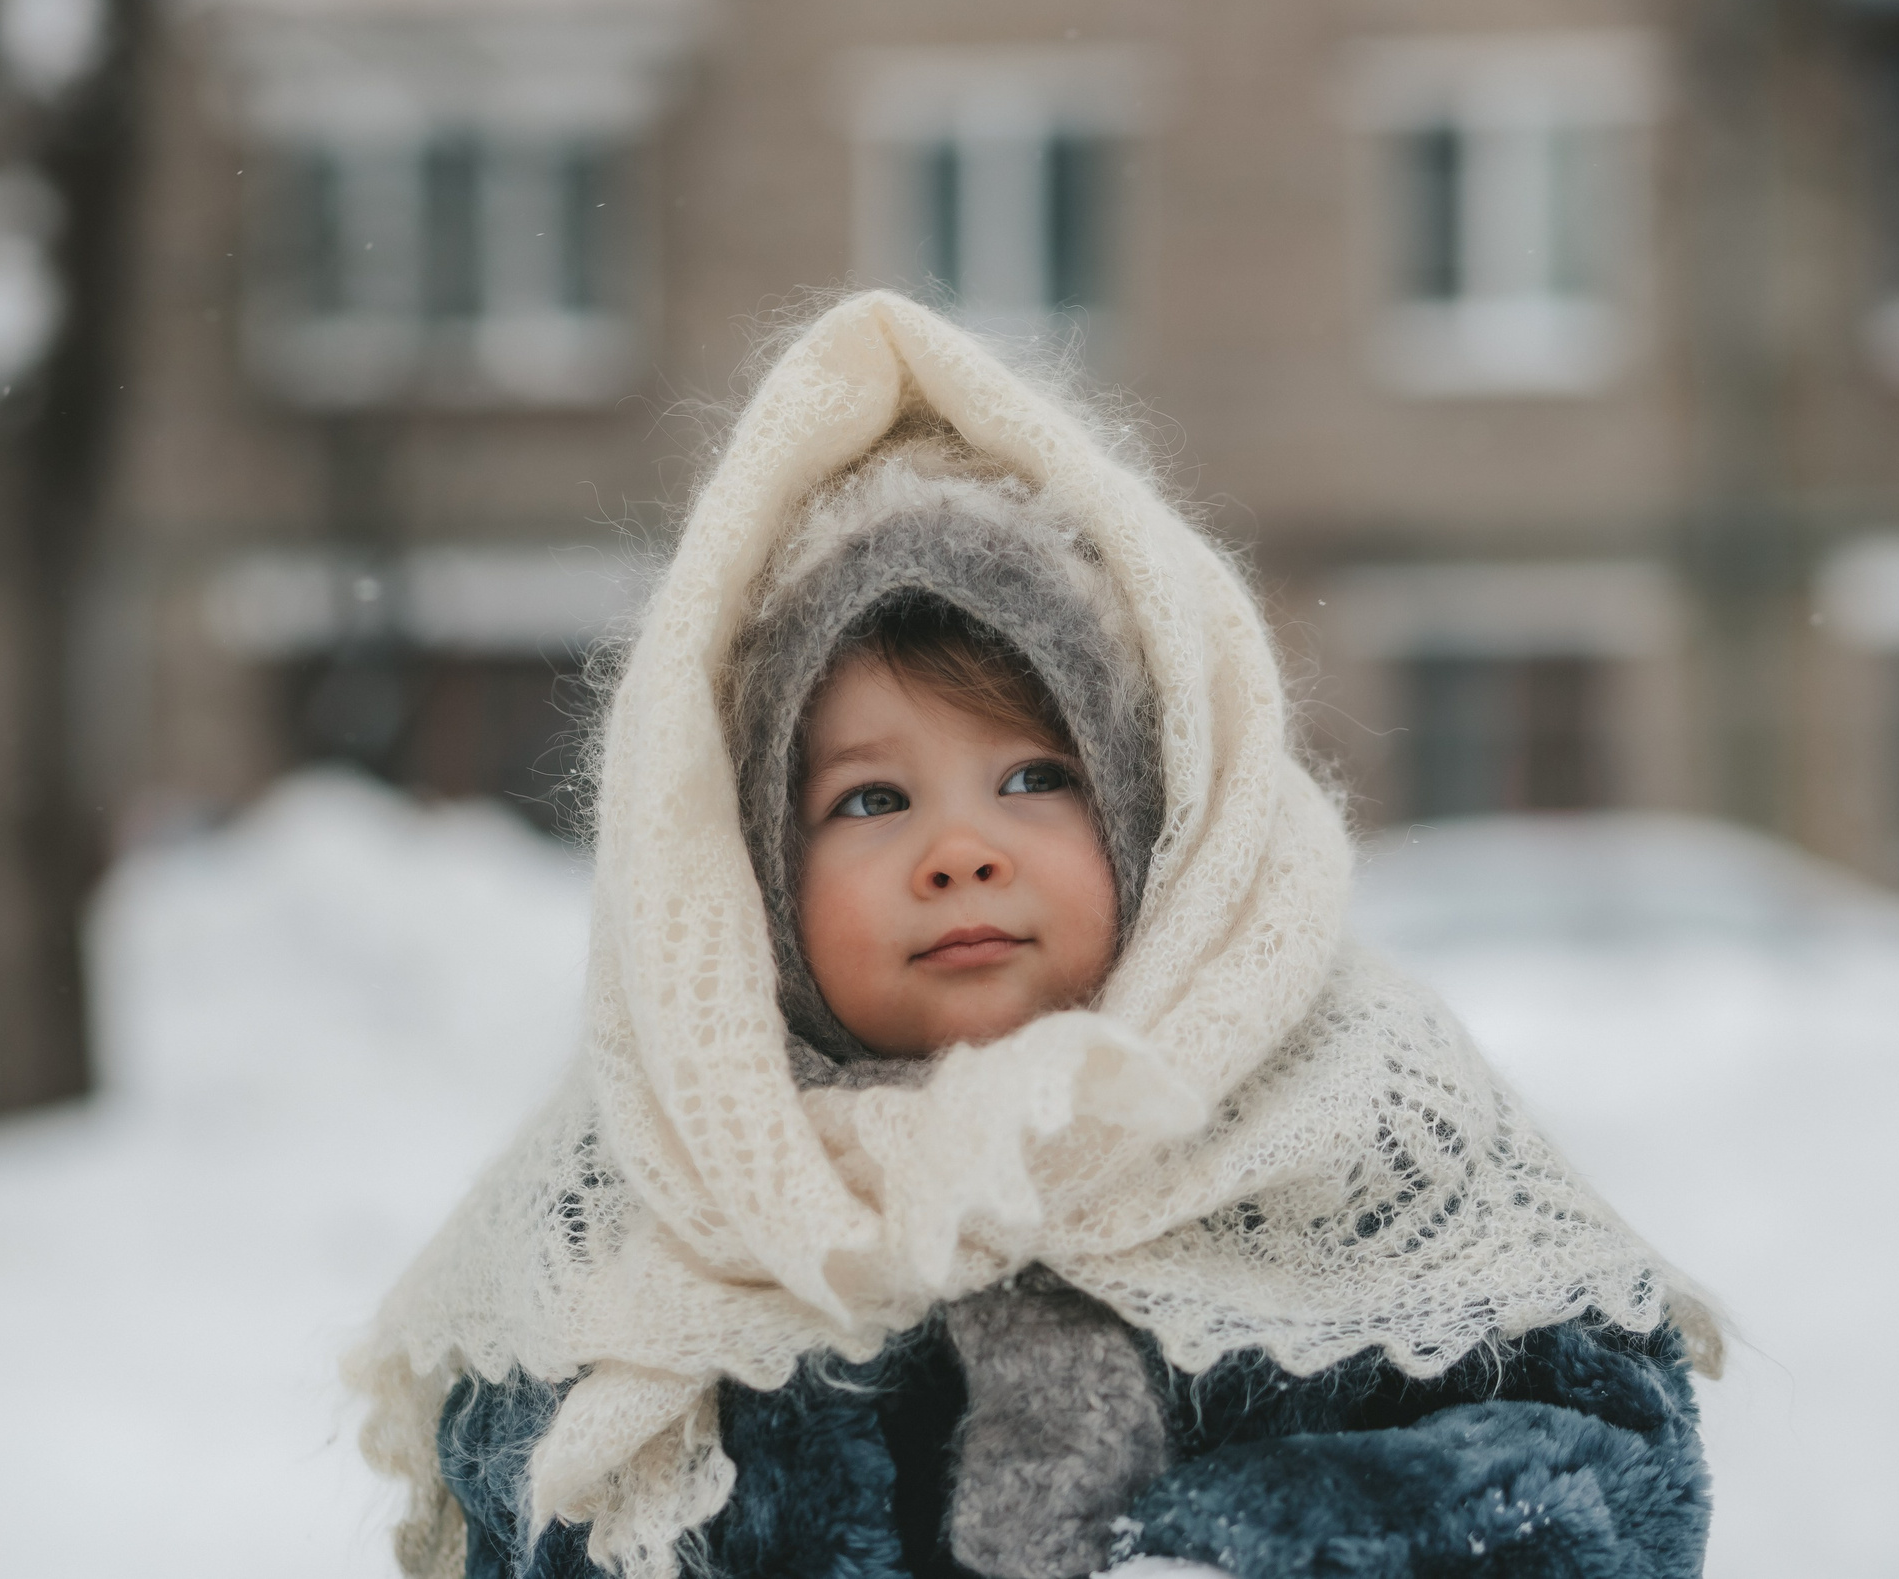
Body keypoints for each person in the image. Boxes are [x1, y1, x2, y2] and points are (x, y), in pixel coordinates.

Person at [347, 292, 1718, 1579]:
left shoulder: (1344, 1101)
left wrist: (1223, 1543)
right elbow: (521, 1496)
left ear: (1148, 811)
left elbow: (1602, 1471)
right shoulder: (662, 1169)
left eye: (1032, 778)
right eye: (871, 799)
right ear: (750, 875)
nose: (962, 851)